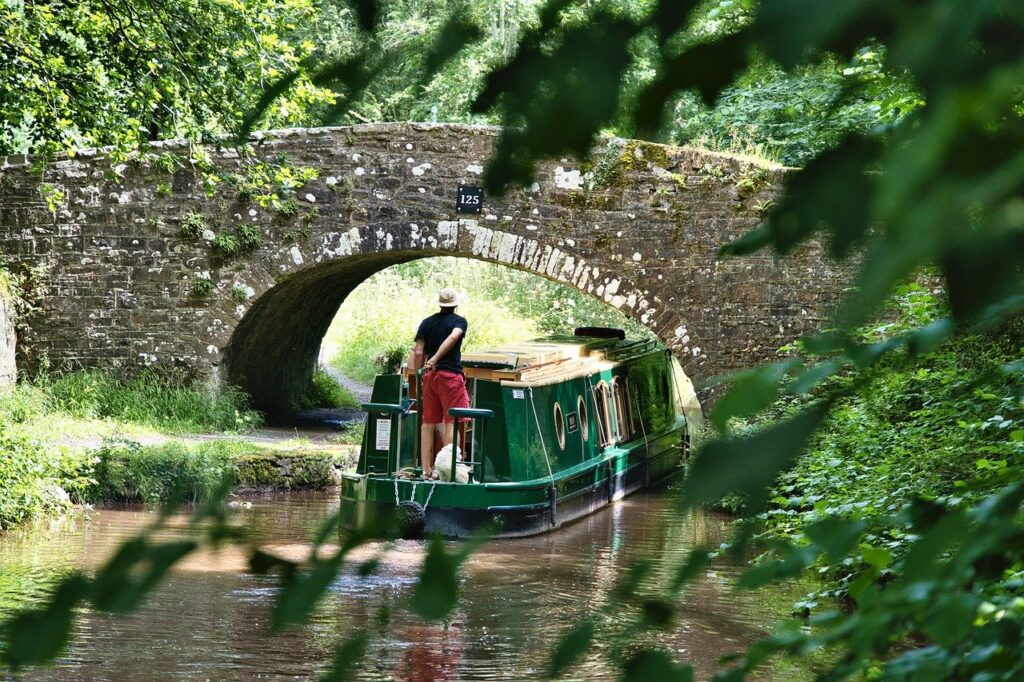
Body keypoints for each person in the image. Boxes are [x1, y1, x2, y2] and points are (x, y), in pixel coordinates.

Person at [412, 287, 470, 478]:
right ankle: (451, 469)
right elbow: (454, 336)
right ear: (455, 304)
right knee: (452, 422)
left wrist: (420, 375)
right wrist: (436, 358)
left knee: (427, 423)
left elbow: (418, 351)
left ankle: (426, 470)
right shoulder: (459, 321)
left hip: (430, 377)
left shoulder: (426, 323)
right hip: (450, 376)